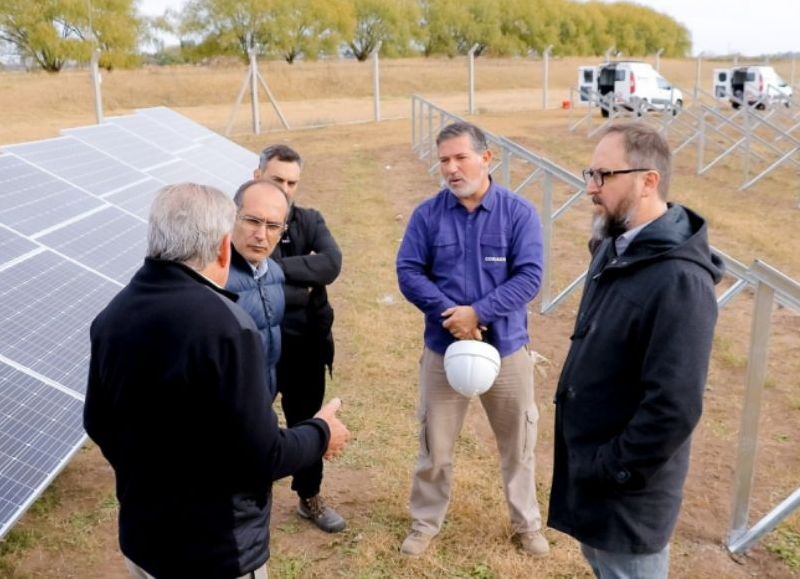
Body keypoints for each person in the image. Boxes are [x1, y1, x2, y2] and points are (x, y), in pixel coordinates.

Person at [83, 183, 350, 579]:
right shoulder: (225, 327)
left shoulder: (112, 315)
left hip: (143, 538)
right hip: (215, 550)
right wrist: (321, 433)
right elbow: (262, 456)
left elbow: (98, 422)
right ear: (224, 247)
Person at [548, 122, 723, 578]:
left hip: (629, 494)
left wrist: (612, 468)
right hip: (594, 478)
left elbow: (674, 406)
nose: (591, 187)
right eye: (590, 173)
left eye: (604, 175)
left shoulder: (680, 281)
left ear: (649, 181)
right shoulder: (614, 247)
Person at [396, 121, 549, 557]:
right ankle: (425, 522)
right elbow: (408, 271)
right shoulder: (427, 215)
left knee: (519, 443)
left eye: (460, 157)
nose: (451, 168)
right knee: (435, 446)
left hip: (507, 350)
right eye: (444, 160)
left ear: (487, 157)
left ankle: (527, 524)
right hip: (444, 350)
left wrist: (478, 313)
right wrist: (453, 317)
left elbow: (530, 276)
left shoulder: (518, 213)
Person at [252, 145, 346, 534]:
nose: (286, 189)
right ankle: (246, 497)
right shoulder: (243, 222)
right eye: (277, 180)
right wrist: (299, 283)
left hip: (304, 346)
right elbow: (237, 282)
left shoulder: (310, 220)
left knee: (308, 421)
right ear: (257, 176)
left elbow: (330, 264)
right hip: (255, 347)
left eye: (292, 182)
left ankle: (310, 497)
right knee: (250, 423)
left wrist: (268, 267)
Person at [226, 178, 291, 401]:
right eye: (253, 221)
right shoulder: (212, 279)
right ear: (232, 218)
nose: (262, 235)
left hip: (261, 404)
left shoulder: (274, 273)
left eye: (273, 226)